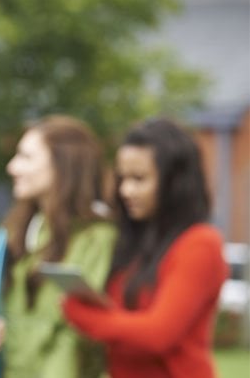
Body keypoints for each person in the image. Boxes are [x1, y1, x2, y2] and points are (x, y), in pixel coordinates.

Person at [62, 118, 228, 378]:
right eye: (122, 178)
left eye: (139, 179)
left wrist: (84, 315)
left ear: (174, 182)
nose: (126, 190)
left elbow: (158, 334)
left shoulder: (200, 244)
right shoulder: (133, 240)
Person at [0, 115, 116, 378]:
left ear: (62, 164)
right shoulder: (14, 231)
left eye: (26, 157)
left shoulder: (96, 238)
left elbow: (76, 336)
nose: (12, 168)